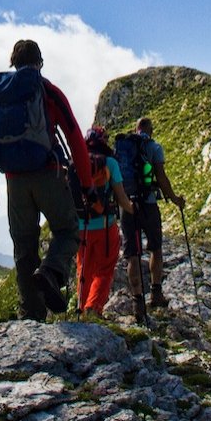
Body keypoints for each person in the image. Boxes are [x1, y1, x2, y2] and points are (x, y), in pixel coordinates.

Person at [0, 40, 94, 321]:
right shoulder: (47, 92)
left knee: (23, 247)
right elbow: (75, 137)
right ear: (39, 62)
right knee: (68, 230)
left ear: (13, 63)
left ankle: (31, 314)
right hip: (48, 173)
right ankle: (52, 272)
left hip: (14, 183)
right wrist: (87, 185)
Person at [122, 116, 186, 319]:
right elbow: (161, 177)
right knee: (155, 248)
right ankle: (156, 294)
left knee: (132, 254)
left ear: (136, 127)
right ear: (150, 129)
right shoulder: (153, 147)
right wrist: (175, 199)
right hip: (148, 204)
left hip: (127, 206)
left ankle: (137, 303)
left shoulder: (124, 146)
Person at [75, 126, 134, 318]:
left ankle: (81, 309)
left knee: (84, 270)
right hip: (105, 226)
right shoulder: (110, 163)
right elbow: (122, 198)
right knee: (104, 269)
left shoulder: (76, 163)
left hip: (81, 227)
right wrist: (135, 210)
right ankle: (94, 308)